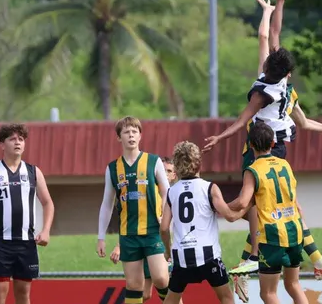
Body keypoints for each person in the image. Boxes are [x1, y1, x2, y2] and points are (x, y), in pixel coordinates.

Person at [203, 0, 322, 301]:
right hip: (280, 150)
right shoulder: (285, 82)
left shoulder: (263, 91)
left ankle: (249, 259)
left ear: (269, 69)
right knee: (285, 207)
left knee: (252, 206)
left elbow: (241, 121)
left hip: (261, 149)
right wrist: (276, 5)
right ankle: (315, 258)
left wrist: (219, 137)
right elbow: (270, 35)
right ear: (285, 71)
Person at [0, 123, 56, 304]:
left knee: (23, 293)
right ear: (2, 144)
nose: (17, 142)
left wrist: (46, 230)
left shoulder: (33, 172)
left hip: (26, 242)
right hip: (0, 242)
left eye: (21, 139)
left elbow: (48, 203)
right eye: (12, 139)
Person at [228, 122, 308, 304]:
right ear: (273, 143)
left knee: (268, 293)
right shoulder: (285, 164)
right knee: (294, 285)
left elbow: (242, 201)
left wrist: (220, 205)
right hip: (294, 230)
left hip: (273, 236)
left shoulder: (253, 170)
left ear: (251, 145)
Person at [97, 116, 171, 304]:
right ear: (119, 138)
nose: (131, 135)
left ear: (140, 136)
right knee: (134, 285)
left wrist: (166, 217)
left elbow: (166, 191)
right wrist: (101, 237)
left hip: (153, 231)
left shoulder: (153, 161)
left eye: (134, 132)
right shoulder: (113, 168)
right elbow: (107, 203)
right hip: (128, 234)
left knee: (161, 278)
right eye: (126, 132)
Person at [161, 141, 245, 304]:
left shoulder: (172, 192)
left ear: (176, 166)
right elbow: (231, 216)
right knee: (226, 297)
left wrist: (168, 251)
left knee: (172, 299)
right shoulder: (209, 188)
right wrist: (248, 205)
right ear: (199, 163)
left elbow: (164, 228)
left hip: (182, 257)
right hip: (207, 255)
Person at [109, 156, 181, 303]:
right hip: (149, 243)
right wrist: (119, 245)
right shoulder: (150, 192)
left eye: (169, 171)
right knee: (145, 293)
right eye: (164, 170)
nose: (165, 174)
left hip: (168, 247)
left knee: (166, 285)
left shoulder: (177, 194)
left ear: (174, 175)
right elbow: (133, 220)